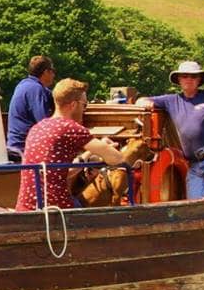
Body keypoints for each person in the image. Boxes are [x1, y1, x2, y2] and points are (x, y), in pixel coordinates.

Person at [15, 79, 144, 210]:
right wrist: (104, 150)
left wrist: (90, 153)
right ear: (73, 105)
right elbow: (118, 159)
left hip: (26, 207)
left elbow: (61, 172)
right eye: (84, 105)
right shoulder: (71, 128)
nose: (84, 110)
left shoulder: (37, 127)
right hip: (55, 208)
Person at [137, 60, 204, 200]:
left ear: (199, 79)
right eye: (184, 76)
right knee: (192, 205)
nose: (189, 79)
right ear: (178, 79)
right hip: (193, 164)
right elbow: (141, 101)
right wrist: (145, 104)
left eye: (193, 76)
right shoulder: (171, 101)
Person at [5, 55, 56, 160]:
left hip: (14, 145)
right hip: (23, 149)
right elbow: (44, 124)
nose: (54, 75)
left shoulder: (25, 84)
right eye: (52, 71)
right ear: (46, 72)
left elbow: (56, 97)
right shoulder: (36, 89)